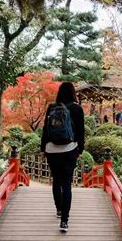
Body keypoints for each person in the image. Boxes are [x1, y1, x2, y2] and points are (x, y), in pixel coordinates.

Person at [41, 82, 85, 233]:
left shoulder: (52, 107)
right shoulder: (77, 108)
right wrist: (80, 149)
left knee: (56, 180)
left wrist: (43, 148)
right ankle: (64, 221)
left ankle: (59, 209)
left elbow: (45, 130)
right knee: (66, 184)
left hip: (52, 149)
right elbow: (81, 132)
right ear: (73, 92)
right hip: (69, 149)